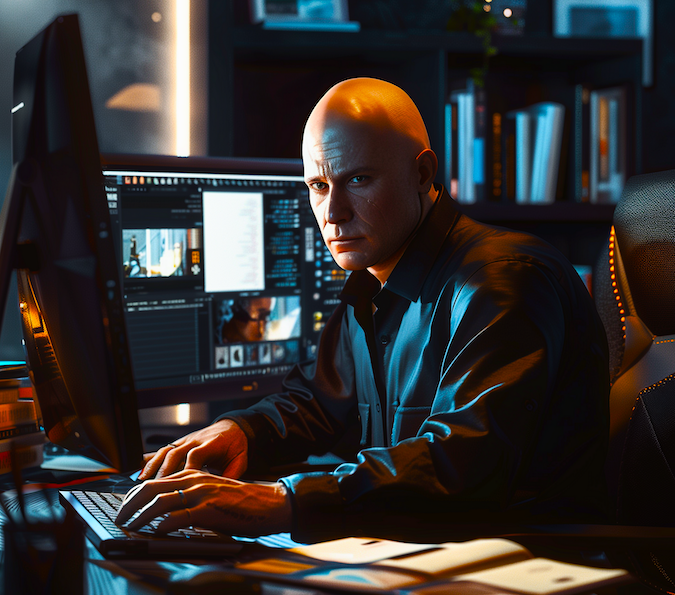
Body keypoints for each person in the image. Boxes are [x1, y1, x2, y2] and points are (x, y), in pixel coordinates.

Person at [116, 77, 610, 543]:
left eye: (358, 179)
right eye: (318, 186)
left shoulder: (504, 278)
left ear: (422, 173)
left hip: (518, 565)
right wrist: (241, 432)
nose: (333, 213)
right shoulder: (373, 279)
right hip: (414, 546)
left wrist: (282, 501)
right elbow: (316, 402)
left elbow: (461, 459)